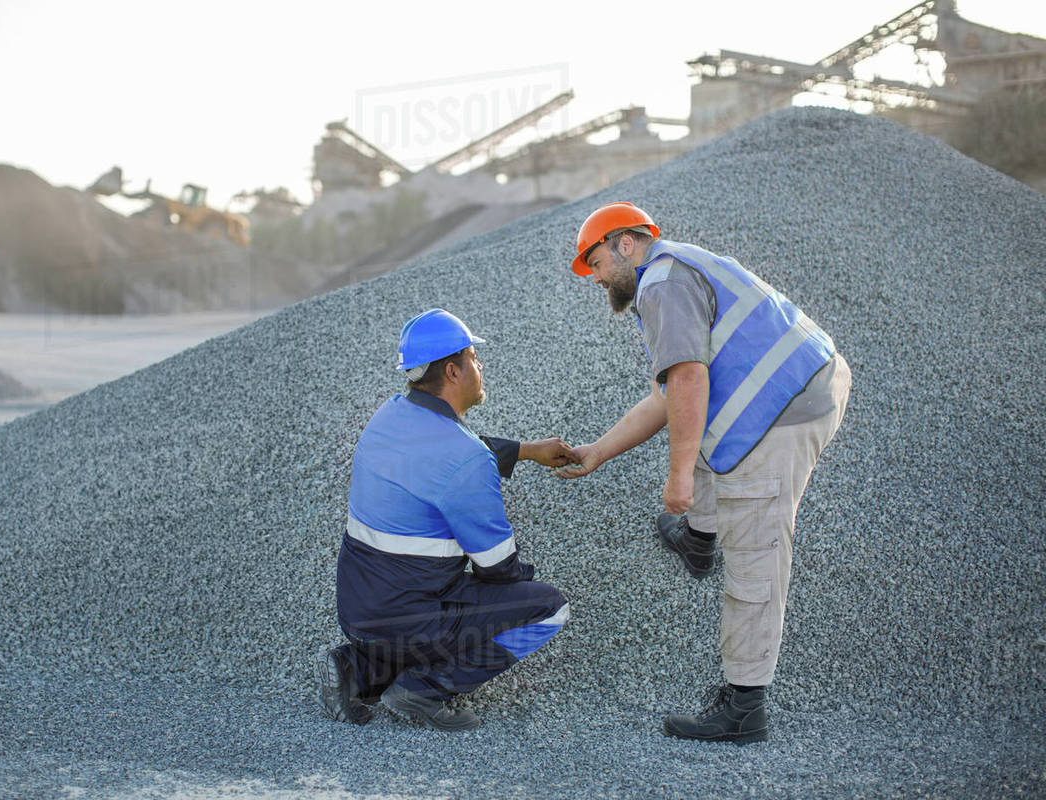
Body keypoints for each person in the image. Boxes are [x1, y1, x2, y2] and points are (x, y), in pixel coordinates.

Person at [556, 202, 851, 744]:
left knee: (756, 550)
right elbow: (668, 397)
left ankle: (745, 706)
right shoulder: (678, 265)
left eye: (594, 263)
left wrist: (679, 480)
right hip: (803, 381)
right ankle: (698, 538)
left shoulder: (660, 285)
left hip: (783, 410)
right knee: (710, 431)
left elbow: (689, 381)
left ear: (625, 244)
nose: (594, 278)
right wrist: (598, 451)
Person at [315, 308, 574, 731]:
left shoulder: (389, 416)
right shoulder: (466, 459)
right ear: (453, 371)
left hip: (358, 611)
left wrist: (525, 450)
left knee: (415, 594)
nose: (480, 366)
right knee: (547, 607)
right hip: (411, 620)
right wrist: (522, 585)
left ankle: (357, 669)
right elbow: (498, 569)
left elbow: (445, 452)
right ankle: (427, 687)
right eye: (474, 357)